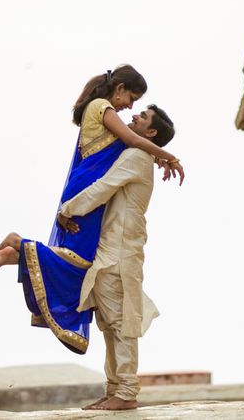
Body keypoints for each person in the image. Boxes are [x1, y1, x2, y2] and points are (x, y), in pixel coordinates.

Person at [0, 65, 184, 355]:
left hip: (88, 187)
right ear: (120, 88)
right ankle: (20, 245)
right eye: (132, 98)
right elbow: (133, 141)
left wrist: (158, 156)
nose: (131, 107)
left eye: (139, 108)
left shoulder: (105, 114)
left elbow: (136, 145)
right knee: (81, 261)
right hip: (88, 190)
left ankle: (19, 254)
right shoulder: (102, 107)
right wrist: (168, 156)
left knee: (82, 262)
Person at [55, 104, 175, 411]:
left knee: (120, 322)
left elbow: (102, 189)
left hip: (120, 251)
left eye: (143, 117)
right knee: (110, 323)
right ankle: (115, 389)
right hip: (115, 248)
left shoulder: (137, 156)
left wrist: (67, 210)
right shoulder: (134, 153)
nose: (134, 115)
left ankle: (126, 390)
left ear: (151, 133)